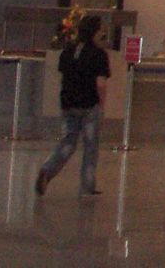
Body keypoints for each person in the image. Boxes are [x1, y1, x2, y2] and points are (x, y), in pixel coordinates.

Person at [36, 13, 108, 197]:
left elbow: (64, 76)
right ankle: (87, 187)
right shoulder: (99, 54)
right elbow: (100, 83)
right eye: (101, 30)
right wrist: (101, 105)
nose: (103, 33)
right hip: (89, 104)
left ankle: (48, 169)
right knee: (90, 147)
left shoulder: (68, 50)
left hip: (68, 102)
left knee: (68, 142)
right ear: (95, 31)